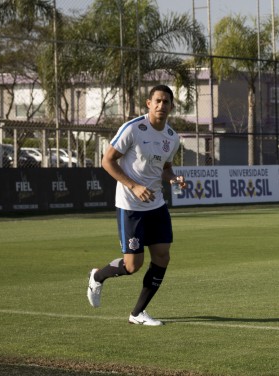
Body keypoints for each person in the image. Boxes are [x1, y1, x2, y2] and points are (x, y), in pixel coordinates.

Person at [87, 84, 186, 326]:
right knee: (132, 266)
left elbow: (164, 167)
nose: (162, 106)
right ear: (149, 104)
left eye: (166, 102)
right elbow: (107, 161)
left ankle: (137, 313)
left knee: (162, 256)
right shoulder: (133, 129)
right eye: (158, 101)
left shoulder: (172, 137)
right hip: (130, 205)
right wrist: (133, 186)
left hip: (157, 205)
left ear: (172, 107)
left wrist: (173, 178)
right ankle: (98, 276)